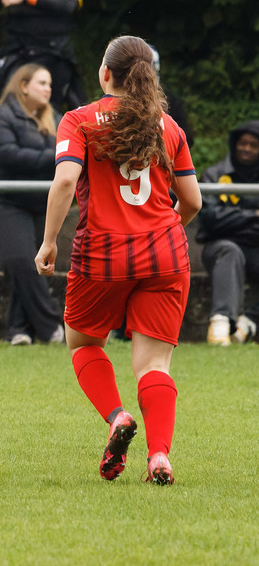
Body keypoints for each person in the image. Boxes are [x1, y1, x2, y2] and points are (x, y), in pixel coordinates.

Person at [35, 35, 201, 486]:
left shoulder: (79, 120)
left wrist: (49, 242)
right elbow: (192, 202)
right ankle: (160, 457)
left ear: (104, 74)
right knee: (153, 366)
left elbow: (66, 180)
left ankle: (117, 416)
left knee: (85, 344)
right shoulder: (168, 126)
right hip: (165, 254)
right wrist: (165, 232)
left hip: (102, 256)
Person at [0, 64, 64, 346]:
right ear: (23, 85)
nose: (48, 89)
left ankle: (19, 329)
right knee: (19, 261)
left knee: (35, 264)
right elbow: (7, 154)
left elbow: (73, 147)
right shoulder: (0, 117)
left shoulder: (54, 116)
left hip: (41, 201)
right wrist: (52, 156)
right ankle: (54, 321)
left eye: (50, 83)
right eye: (42, 83)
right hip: (7, 201)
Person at [196, 121, 259, 346]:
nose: (247, 149)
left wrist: (232, 218)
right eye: (243, 143)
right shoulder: (214, 174)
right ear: (235, 144)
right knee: (229, 251)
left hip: (255, 250)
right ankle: (220, 327)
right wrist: (253, 215)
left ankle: (247, 324)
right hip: (219, 246)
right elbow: (211, 219)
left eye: (254, 145)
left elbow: (223, 218)